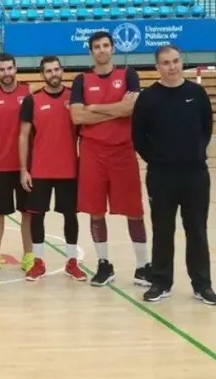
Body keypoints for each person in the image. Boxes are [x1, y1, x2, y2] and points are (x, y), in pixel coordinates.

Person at [132, 45, 216, 305]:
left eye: (176, 61)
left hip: (194, 174)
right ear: (157, 67)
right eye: (166, 63)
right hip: (161, 176)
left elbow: (207, 128)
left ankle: (202, 285)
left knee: (197, 230)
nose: (172, 66)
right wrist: (159, 160)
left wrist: (192, 153)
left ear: (182, 62)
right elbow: (138, 137)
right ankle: (160, 282)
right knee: (162, 229)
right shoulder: (148, 98)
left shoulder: (197, 93)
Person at [69, 31, 152, 287]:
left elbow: (132, 108)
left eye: (106, 45)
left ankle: (142, 267)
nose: (102, 50)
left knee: (134, 211)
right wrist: (115, 110)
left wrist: (94, 108)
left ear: (112, 48)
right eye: (97, 46)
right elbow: (77, 117)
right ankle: (104, 264)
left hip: (123, 151)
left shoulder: (128, 74)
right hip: (93, 153)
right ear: (91, 51)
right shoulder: (81, 80)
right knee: (95, 211)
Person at [18, 56, 86, 281]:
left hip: (69, 169)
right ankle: (38, 262)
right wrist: (23, 169)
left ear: (62, 71)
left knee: (70, 215)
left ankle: (72, 261)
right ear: (42, 75)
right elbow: (23, 136)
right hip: (40, 169)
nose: (53, 74)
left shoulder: (74, 99)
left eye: (56, 69)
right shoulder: (32, 100)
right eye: (48, 71)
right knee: (37, 216)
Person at [0, 53, 34, 275]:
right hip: (0, 163)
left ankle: (29, 255)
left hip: (25, 165)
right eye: (1, 69)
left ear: (15, 69)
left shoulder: (28, 92)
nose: (6, 73)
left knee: (27, 211)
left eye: (9, 68)